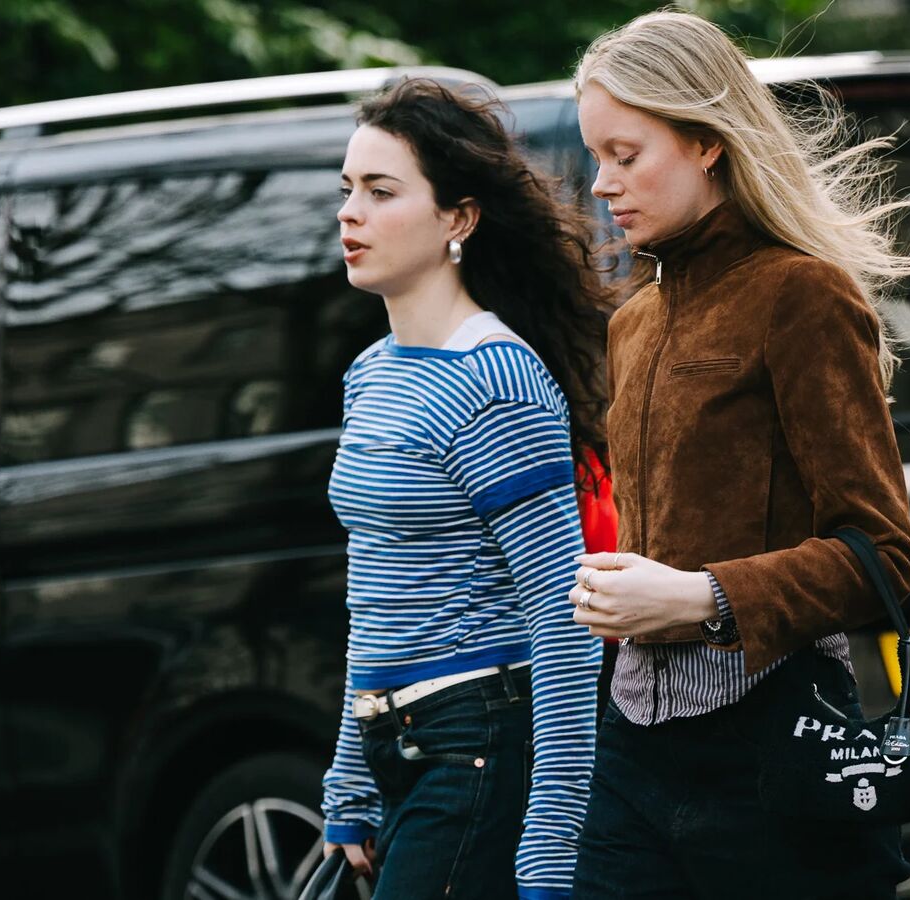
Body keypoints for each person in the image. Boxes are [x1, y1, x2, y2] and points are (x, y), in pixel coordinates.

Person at [565, 10, 910, 899]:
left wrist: (702, 598)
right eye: (595, 158)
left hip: (770, 742)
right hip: (630, 746)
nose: (599, 185)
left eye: (625, 154)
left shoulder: (800, 296)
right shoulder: (633, 324)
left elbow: (882, 556)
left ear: (705, 142)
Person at [320, 77, 611, 900]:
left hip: (475, 738)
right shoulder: (372, 374)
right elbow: (375, 593)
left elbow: (562, 619)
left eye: (381, 192)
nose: (350, 213)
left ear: (458, 218)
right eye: (347, 191)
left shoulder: (496, 381)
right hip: (398, 742)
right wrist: (350, 776)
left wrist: (554, 834)